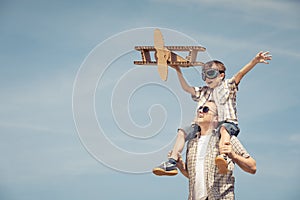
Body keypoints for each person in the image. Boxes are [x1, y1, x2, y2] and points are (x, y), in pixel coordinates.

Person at [152, 51, 271, 176]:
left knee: (224, 130)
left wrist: (255, 61)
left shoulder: (227, 86)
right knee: (182, 131)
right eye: (204, 76)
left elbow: (240, 74)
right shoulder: (204, 92)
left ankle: (223, 156)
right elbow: (187, 88)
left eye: (211, 74)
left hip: (227, 123)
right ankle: (172, 162)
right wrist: (177, 69)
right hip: (206, 126)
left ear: (221, 75)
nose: (207, 79)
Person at [177, 100, 256, 200]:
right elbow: (194, 176)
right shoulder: (192, 144)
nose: (200, 111)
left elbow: (252, 167)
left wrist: (233, 156)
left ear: (216, 118)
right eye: (199, 109)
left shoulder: (226, 139)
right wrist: (181, 167)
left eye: (205, 109)